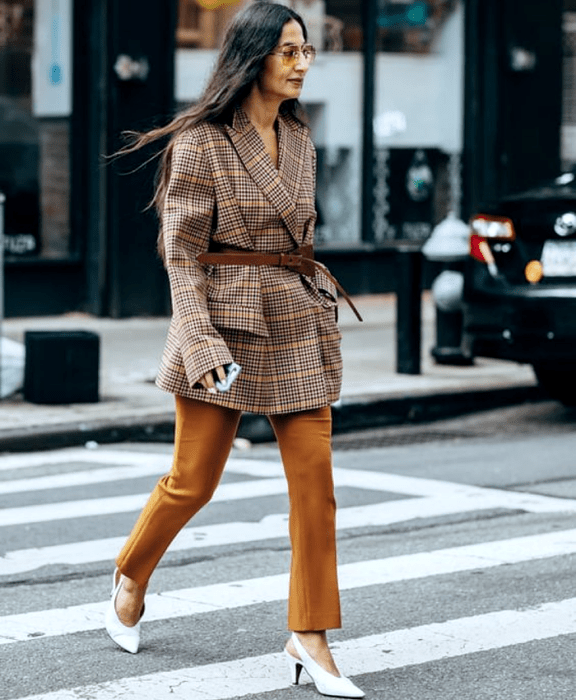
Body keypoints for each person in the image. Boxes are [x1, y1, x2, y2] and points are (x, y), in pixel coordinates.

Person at [104, 3, 363, 697]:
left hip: (295, 322)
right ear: (254, 58)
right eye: (289, 51)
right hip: (226, 326)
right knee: (195, 481)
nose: (303, 62)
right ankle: (131, 571)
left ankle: (310, 635)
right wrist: (198, 338)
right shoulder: (202, 143)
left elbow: (297, 239)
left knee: (317, 487)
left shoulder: (302, 139)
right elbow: (181, 254)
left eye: (306, 50)